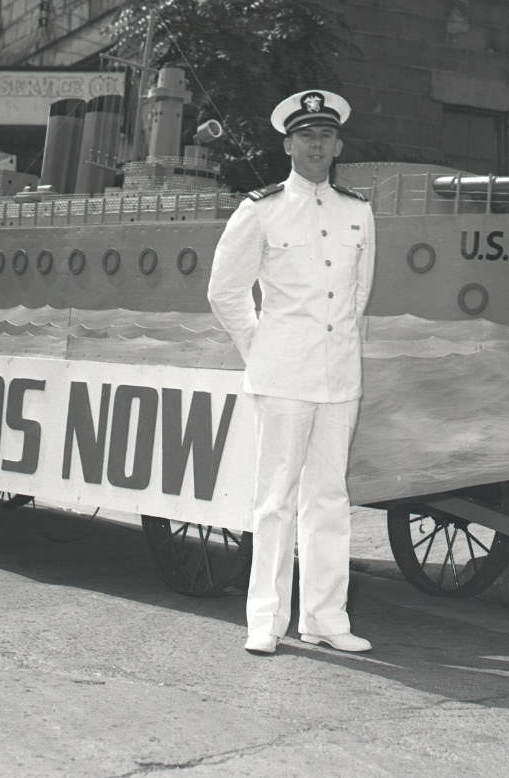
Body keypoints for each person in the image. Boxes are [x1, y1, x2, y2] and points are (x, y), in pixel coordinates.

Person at [207, 89, 376, 656]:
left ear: (338, 144)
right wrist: (262, 347)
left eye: (325, 136)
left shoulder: (358, 211)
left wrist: (335, 353)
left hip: (339, 377)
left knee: (328, 498)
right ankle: (265, 619)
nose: (317, 145)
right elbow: (225, 291)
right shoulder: (261, 208)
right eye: (306, 136)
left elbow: (358, 296)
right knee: (274, 499)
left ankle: (326, 618)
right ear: (289, 144)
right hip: (280, 374)